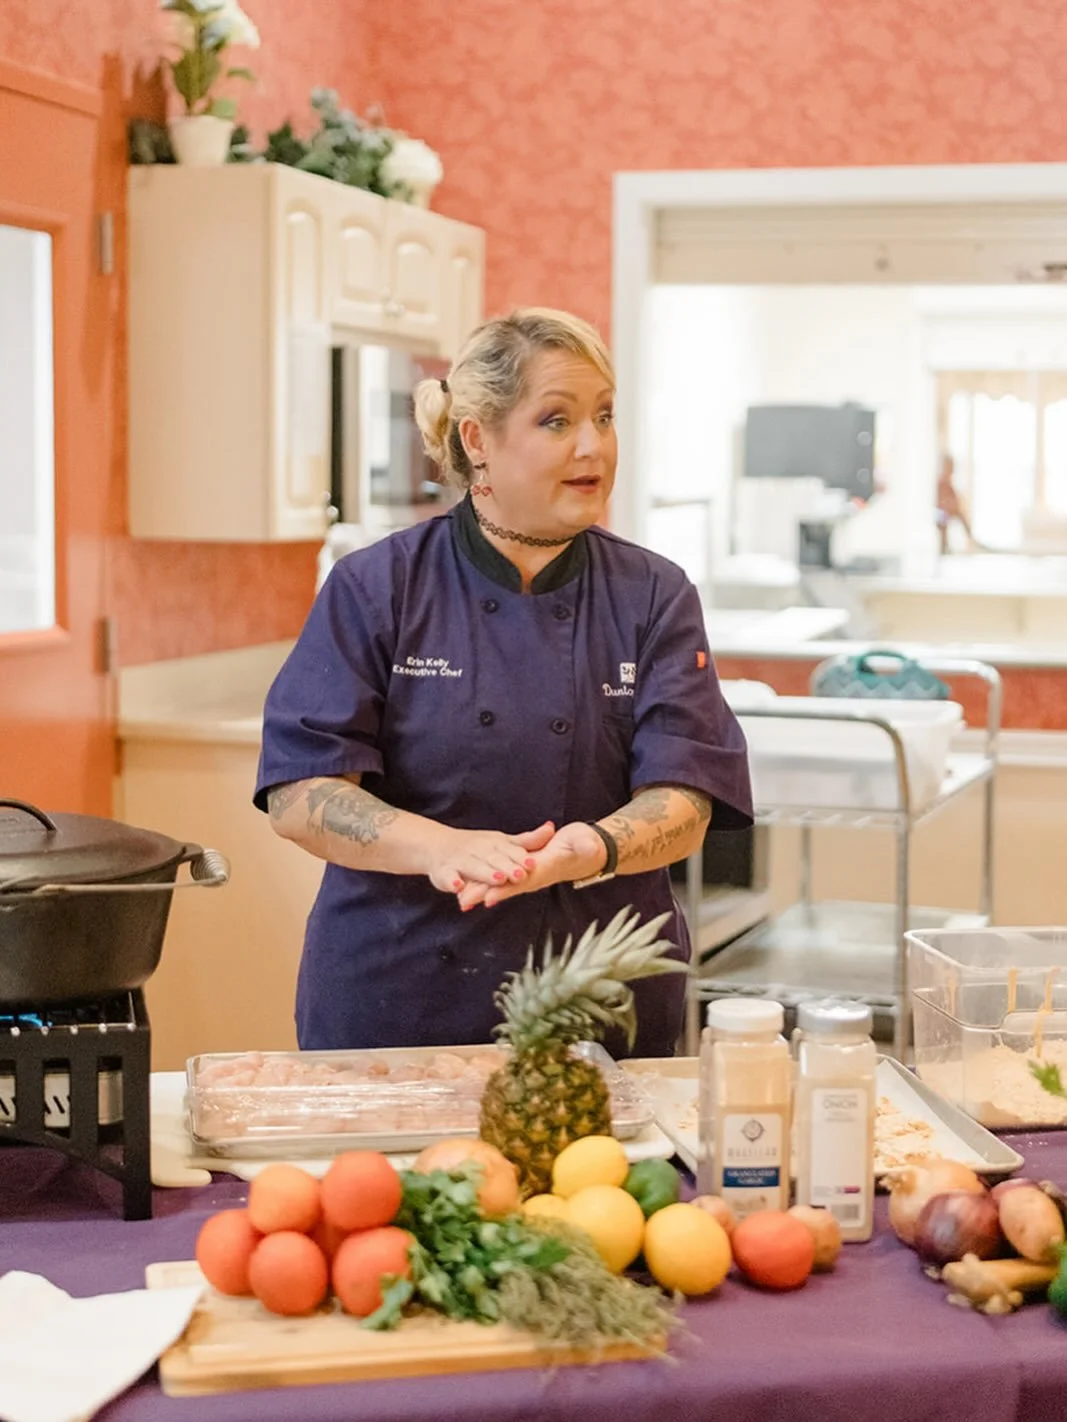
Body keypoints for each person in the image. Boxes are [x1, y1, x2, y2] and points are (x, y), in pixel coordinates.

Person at [254, 307, 753, 1056]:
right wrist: (438, 849)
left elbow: (688, 798)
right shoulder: (377, 587)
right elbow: (299, 794)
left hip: (599, 1000)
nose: (593, 446)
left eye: (604, 416)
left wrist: (588, 848)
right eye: (556, 420)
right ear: (477, 439)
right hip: (402, 994)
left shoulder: (653, 593)